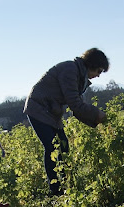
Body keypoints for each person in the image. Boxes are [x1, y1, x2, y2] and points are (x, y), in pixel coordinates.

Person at [24, 47, 109, 195]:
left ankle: (65, 182)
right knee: (52, 148)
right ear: (92, 64)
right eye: (99, 71)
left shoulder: (79, 74)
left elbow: (76, 108)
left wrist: (96, 120)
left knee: (63, 146)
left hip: (51, 111)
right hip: (38, 108)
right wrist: (97, 114)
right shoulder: (70, 70)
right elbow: (75, 103)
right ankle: (55, 189)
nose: (98, 75)